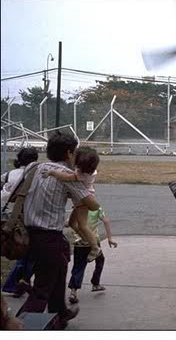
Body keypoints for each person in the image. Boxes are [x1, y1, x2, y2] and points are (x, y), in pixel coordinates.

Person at [16, 131, 100, 329]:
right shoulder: (67, 177)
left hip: (28, 235)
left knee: (60, 269)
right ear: (69, 153)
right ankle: (19, 326)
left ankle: (60, 314)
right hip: (48, 237)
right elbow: (92, 204)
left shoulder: (33, 168)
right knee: (42, 288)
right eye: (75, 153)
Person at [43, 146, 102, 262]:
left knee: (82, 225)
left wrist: (52, 172)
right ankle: (86, 240)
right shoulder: (90, 170)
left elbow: (65, 178)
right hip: (81, 199)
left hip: (83, 200)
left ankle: (95, 247)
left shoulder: (81, 175)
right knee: (71, 223)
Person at [1, 147, 39, 298]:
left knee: (19, 249)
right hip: (25, 216)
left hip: (9, 216)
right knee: (28, 251)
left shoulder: (10, 174)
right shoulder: (34, 174)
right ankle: (17, 283)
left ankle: (18, 283)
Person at [68, 207, 118, 304]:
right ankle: (95, 283)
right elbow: (106, 221)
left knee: (78, 267)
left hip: (80, 242)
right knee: (100, 260)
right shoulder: (97, 208)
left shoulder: (77, 208)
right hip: (93, 241)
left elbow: (68, 223)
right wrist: (110, 238)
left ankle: (73, 291)